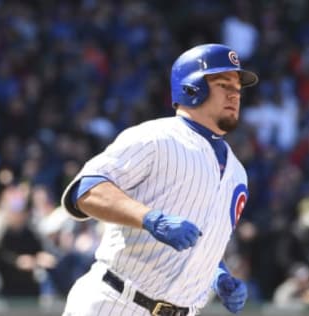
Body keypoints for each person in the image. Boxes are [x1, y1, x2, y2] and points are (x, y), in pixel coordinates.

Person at [60, 43, 259, 316]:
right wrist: (150, 218)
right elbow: (85, 191)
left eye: (237, 88)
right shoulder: (156, 136)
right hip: (116, 301)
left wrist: (218, 274)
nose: (235, 95)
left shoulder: (238, 173)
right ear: (192, 88)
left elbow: (203, 241)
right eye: (224, 84)